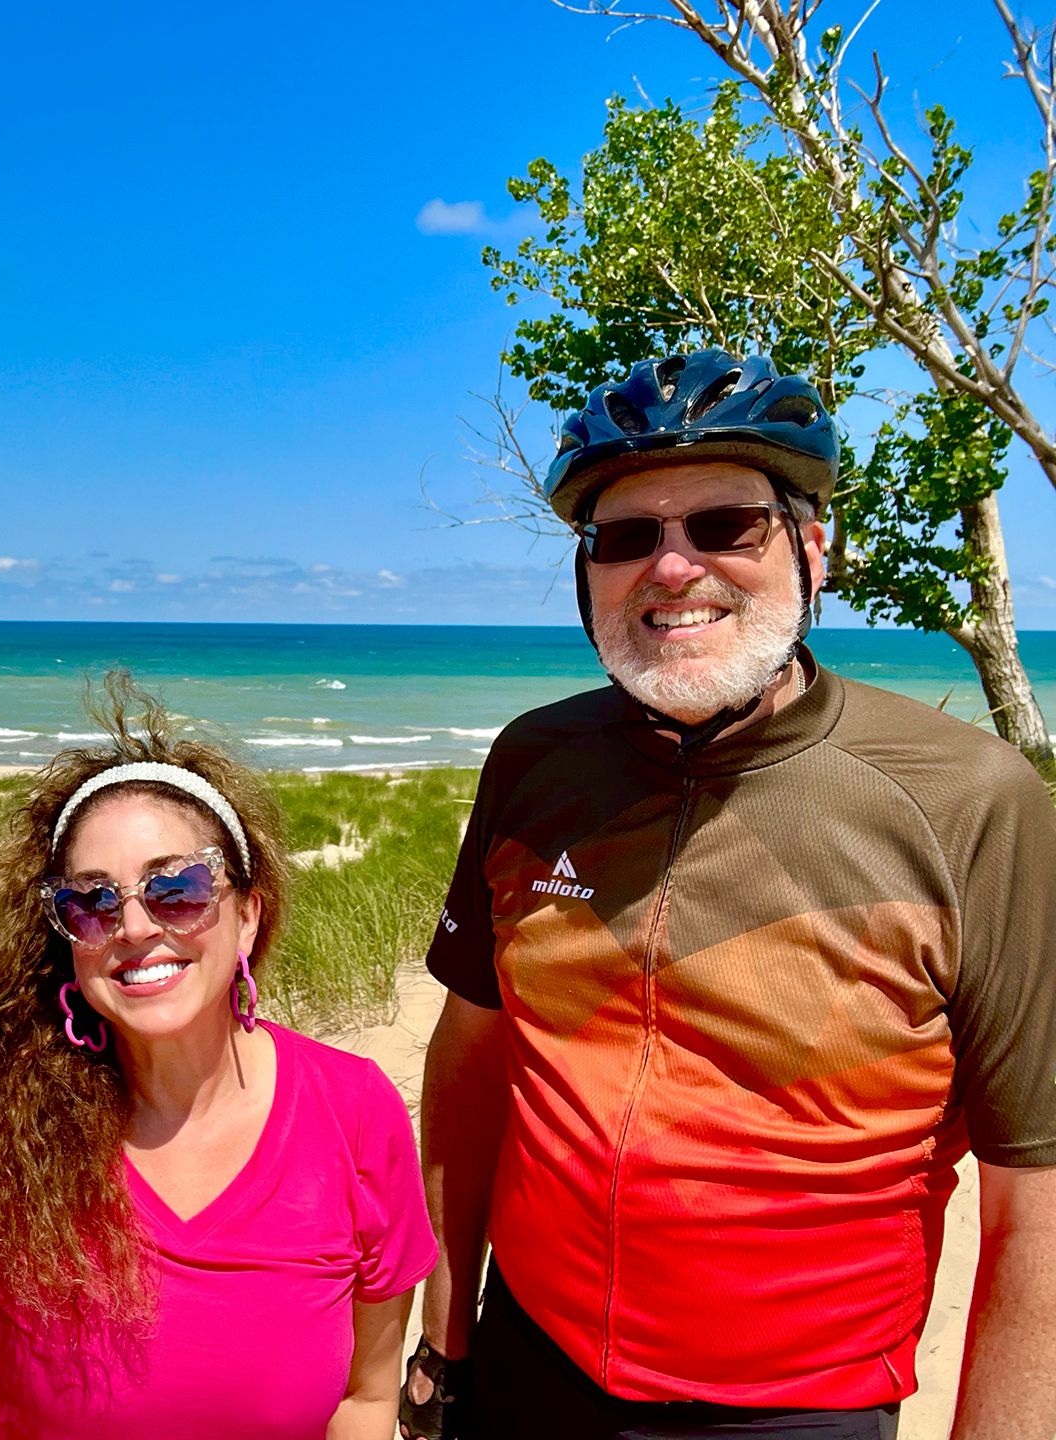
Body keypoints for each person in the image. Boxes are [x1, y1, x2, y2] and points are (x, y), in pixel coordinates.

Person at [400, 349, 1056, 1440]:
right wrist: (446, 1339)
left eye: (724, 527)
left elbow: (1036, 1202)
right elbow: (471, 1064)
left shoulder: (970, 801)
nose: (671, 568)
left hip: (796, 1408)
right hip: (530, 1355)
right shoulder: (535, 762)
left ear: (812, 547)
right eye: (625, 537)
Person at [0, 676, 435, 1439]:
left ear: (248, 915)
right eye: (90, 902)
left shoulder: (353, 1109)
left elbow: (366, 1396)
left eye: (177, 889)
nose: (132, 927)